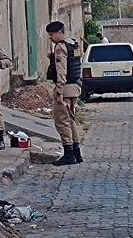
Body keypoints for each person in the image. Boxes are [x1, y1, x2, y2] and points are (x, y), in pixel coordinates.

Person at [45, 21, 84, 166]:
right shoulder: (73, 43)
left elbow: (62, 71)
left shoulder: (61, 47)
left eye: (51, 35)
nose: (50, 38)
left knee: (62, 122)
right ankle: (76, 153)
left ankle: (69, 155)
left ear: (60, 32)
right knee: (71, 120)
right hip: (75, 86)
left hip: (65, 88)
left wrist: (59, 91)